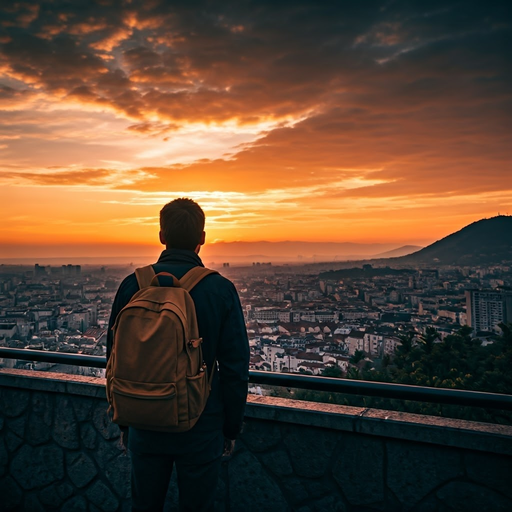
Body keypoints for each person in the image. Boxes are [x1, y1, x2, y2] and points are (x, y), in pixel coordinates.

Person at [107, 198, 250, 512]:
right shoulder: (220, 290)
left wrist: (124, 423)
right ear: (202, 237)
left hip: (143, 419)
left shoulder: (133, 286)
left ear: (161, 235)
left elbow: (114, 357)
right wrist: (231, 428)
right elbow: (236, 367)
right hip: (200, 424)